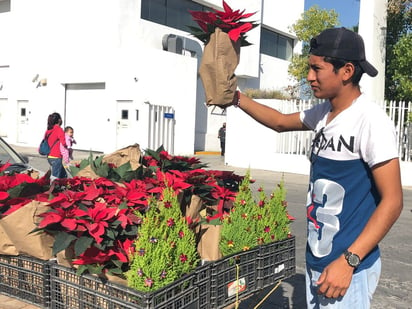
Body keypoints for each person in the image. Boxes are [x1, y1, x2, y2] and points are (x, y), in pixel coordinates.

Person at [221, 27, 403, 308]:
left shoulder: (370, 122)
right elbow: (280, 122)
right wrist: (236, 98)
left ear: (346, 71)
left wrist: (349, 261)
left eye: (317, 69)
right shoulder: (324, 114)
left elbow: (392, 202)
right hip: (319, 260)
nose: (309, 77)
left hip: (346, 267)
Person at [44, 112, 67, 179]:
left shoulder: (48, 130)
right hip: (56, 157)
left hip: (49, 156)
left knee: (63, 175)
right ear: (59, 120)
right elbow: (64, 143)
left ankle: (62, 187)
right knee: (55, 178)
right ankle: (52, 188)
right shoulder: (59, 130)